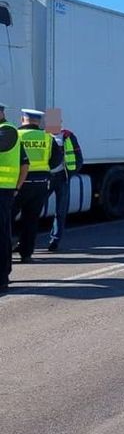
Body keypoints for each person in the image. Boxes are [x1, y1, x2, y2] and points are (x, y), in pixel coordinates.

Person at [14, 109, 62, 264]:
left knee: (7, 218)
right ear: (39, 121)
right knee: (31, 220)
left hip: (19, 182)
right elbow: (56, 160)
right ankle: (26, 255)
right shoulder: (47, 137)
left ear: (23, 119)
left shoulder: (16, 135)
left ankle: (5, 252)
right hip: (41, 183)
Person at [0, 104, 30, 293]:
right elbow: (24, 163)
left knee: (1, 235)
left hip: (3, 191)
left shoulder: (8, 130)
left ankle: (2, 277)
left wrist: (16, 188)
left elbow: (25, 165)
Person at [47, 126, 83, 252]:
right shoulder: (44, 136)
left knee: (60, 211)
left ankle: (55, 240)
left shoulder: (68, 136)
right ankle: (26, 240)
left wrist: (70, 173)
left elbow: (78, 158)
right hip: (47, 177)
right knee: (34, 209)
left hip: (63, 177)